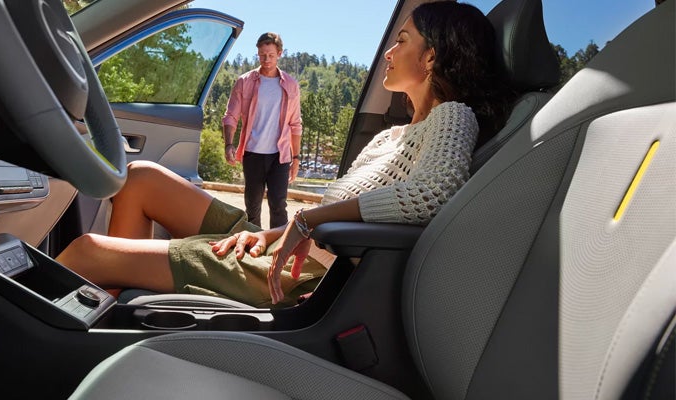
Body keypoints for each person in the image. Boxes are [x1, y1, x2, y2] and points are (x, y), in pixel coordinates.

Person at [55, 1, 513, 307]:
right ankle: (110, 311)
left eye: (403, 40)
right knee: (140, 179)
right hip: (287, 249)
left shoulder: (452, 117)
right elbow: (326, 217)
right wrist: (276, 233)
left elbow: (429, 197)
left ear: (431, 58)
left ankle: (70, 327)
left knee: (87, 250)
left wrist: (306, 221)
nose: (391, 52)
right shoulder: (387, 139)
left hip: (303, 275)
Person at [222, 32, 302, 229]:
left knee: (278, 205)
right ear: (258, 53)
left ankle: (277, 249)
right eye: (262, 55)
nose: (266, 60)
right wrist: (228, 144)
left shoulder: (290, 85)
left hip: (279, 156)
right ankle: (252, 246)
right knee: (253, 206)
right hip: (253, 153)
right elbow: (231, 115)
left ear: (280, 54)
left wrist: (296, 158)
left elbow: (295, 124)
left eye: (271, 55)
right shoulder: (245, 81)